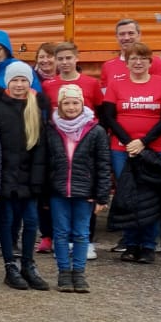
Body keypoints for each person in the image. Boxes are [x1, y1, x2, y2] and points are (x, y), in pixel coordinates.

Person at [99, 43, 161, 261]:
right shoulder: (116, 84)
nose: (138, 62)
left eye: (143, 58)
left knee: (150, 198)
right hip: (121, 150)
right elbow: (109, 117)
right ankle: (131, 243)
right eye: (133, 58)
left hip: (155, 149)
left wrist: (143, 142)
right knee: (128, 196)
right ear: (126, 62)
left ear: (151, 63)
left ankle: (148, 246)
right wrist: (128, 142)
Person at [0, 61, 50, 290]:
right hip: (5, 175)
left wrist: (38, 179)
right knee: (7, 221)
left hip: (30, 176)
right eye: (15, 80)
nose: (19, 85)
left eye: (24, 80)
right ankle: (9, 265)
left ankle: (28, 264)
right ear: (7, 83)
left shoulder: (36, 106)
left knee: (31, 221)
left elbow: (41, 148)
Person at [46, 85, 111, 293]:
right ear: (60, 104)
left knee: (82, 234)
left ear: (82, 104)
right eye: (66, 102)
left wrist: (101, 195)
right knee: (61, 233)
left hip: (85, 192)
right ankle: (64, 272)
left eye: (75, 102)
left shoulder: (95, 130)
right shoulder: (51, 129)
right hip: (58, 191)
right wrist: (45, 193)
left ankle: (79, 273)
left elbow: (103, 164)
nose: (71, 107)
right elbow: (47, 164)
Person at [100, 19, 161, 88]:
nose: (126, 38)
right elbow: (105, 95)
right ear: (116, 37)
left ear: (139, 35)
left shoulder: (155, 62)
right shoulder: (108, 66)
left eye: (131, 33)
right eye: (122, 34)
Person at [41, 42, 102, 111]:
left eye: (68, 58)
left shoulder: (92, 83)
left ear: (76, 58)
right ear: (56, 60)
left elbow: (100, 111)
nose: (64, 62)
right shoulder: (47, 85)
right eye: (60, 59)